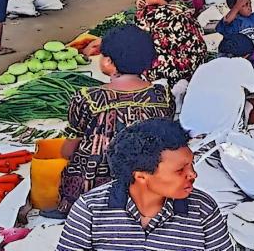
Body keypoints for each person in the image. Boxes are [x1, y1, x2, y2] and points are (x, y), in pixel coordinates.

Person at [56, 118, 234, 251]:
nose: (193, 174)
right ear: (141, 177)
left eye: (191, 164)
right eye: (180, 170)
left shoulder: (203, 209)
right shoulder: (90, 210)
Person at [53, 26, 176, 216]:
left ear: (109, 61)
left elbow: (70, 147)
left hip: (97, 185)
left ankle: (74, 208)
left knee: (74, 162)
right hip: (148, 179)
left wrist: (68, 154)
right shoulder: (163, 95)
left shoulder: (88, 97)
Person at [180, 34, 254, 155]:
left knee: (252, 104)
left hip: (191, 138)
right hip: (226, 143)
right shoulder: (241, 64)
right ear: (246, 56)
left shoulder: (203, 68)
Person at [134, 0, 207, 98]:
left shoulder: (148, 15)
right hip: (195, 65)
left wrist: (140, 8)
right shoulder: (183, 9)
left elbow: (137, 41)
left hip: (170, 72)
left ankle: (168, 89)